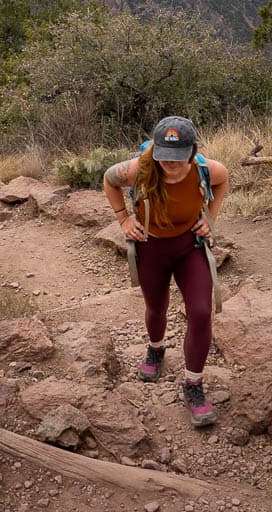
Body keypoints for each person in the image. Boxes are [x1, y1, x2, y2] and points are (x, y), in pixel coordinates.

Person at [102, 115, 229, 428]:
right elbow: (108, 179)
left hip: (190, 247)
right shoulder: (138, 169)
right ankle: (156, 350)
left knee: (200, 311)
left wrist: (209, 220)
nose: (170, 165)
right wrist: (123, 220)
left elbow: (223, 180)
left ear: (191, 151)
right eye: (164, 158)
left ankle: (194, 385)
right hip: (151, 247)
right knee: (156, 307)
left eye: (178, 158)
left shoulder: (206, 169)